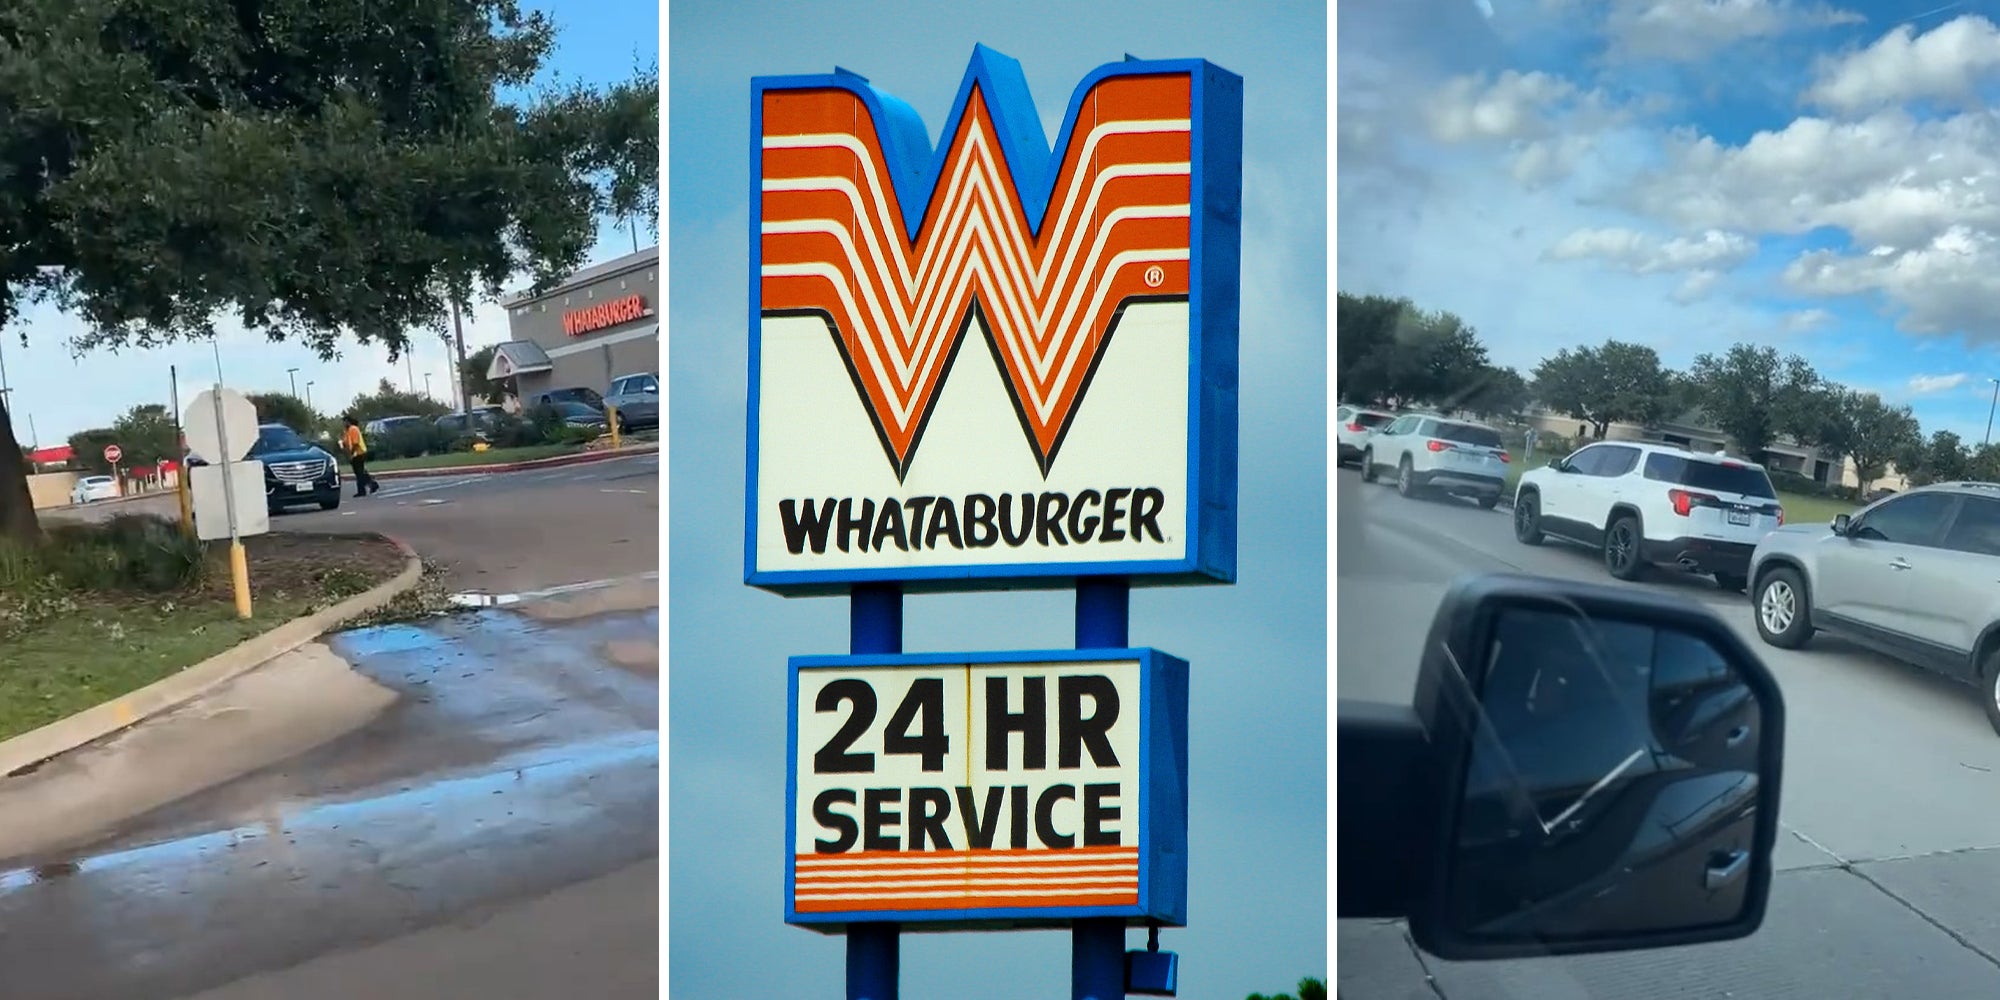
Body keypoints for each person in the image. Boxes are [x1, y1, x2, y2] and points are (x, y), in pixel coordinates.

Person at [341, 415, 380, 497]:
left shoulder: (353, 429)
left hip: (359, 453)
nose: (343, 424)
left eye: (344, 422)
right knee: (360, 472)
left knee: (359, 473)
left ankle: (362, 491)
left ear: (348, 421)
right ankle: (373, 484)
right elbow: (346, 442)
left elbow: (355, 443)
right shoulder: (347, 431)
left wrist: (351, 453)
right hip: (354, 454)